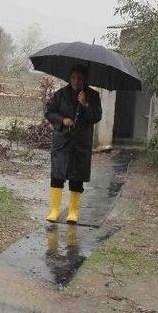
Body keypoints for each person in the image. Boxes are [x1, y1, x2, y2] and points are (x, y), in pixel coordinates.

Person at [44, 64, 102, 224]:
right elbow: (49, 112)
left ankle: (73, 212)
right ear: (70, 78)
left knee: (77, 177)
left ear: (85, 80)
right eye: (74, 77)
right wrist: (63, 120)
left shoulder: (93, 96)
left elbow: (96, 116)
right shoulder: (60, 94)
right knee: (57, 175)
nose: (76, 81)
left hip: (81, 142)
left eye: (80, 78)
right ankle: (54, 210)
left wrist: (85, 104)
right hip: (62, 141)